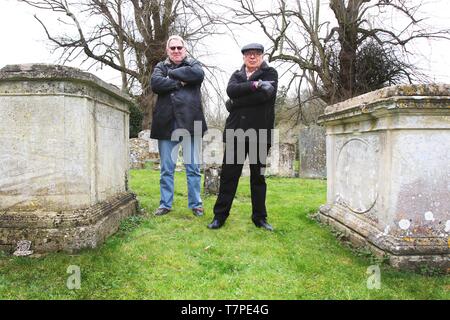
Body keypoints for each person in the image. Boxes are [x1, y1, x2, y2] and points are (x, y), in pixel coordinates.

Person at [207, 43, 278, 231]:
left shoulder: (270, 74)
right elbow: (231, 90)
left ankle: (260, 218)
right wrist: (255, 85)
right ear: (244, 57)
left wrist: (235, 102)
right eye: (248, 54)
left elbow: (264, 97)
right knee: (229, 176)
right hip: (236, 132)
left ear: (262, 56)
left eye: (255, 54)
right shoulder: (236, 75)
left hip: (259, 134)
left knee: (258, 177)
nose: (252, 57)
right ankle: (219, 216)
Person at [150, 35, 207, 217]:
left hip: (191, 122)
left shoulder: (193, 64)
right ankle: (165, 204)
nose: (176, 51)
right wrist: (179, 82)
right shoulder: (160, 66)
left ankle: (196, 204)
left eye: (179, 48)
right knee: (167, 169)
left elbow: (198, 75)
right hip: (166, 123)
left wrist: (172, 75)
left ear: (185, 49)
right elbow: (156, 83)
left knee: (193, 168)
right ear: (167, 50)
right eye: (172, 48)